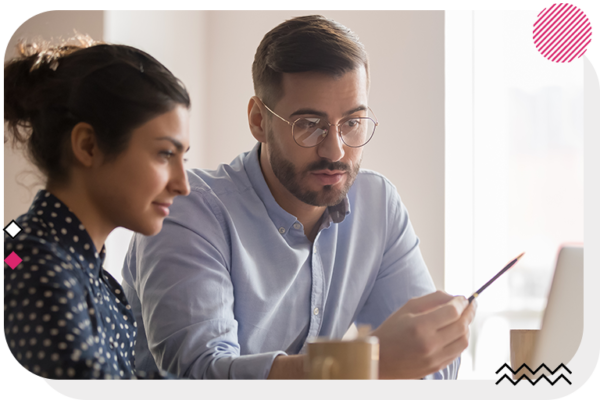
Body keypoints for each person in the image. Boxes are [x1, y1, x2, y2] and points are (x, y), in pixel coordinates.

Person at [122, 15, 476, 379]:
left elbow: (435, 369)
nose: (335, 150)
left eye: (352, 122)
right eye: (309, 124)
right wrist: (369, 365)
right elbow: (203, 375)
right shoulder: (188, 209)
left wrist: (433, 344)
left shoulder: (377, 205)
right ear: (259, 120)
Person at [3, 35, 191, 379]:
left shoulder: (84, 273)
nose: (183, 184)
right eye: (165, 154)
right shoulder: (35, 269)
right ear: (88, 146)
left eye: (183, 157)